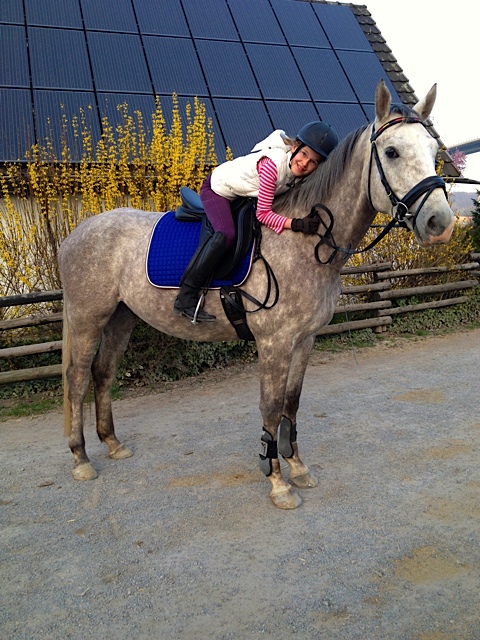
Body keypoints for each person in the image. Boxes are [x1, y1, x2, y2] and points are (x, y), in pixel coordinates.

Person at [173, 121, 339, 322]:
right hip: (217, 189)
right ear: (295, 147)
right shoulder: (272, 166)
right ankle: (186, 296)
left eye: (313, 162)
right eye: (304, 154)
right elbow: (263, 214)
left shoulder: (297, 172)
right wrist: (296, 224)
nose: (305, 163)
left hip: (243, 194)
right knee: (226, 234)